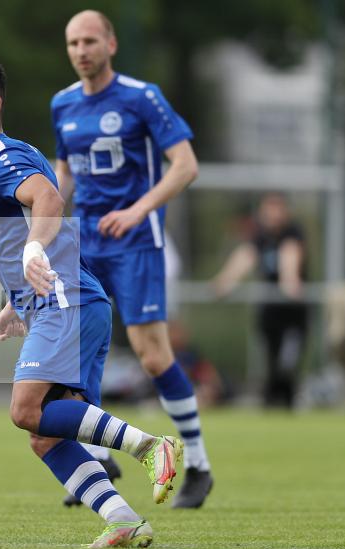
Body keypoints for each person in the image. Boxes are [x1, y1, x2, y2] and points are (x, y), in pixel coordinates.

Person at [0, 55, 183, 549]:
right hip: (67, 301)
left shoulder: (1, 156)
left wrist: (34, 251)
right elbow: (26, 233)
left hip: (67, 302)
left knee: (24, 410)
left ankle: (150, 446)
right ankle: (123, 520)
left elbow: (49, 200)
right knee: (46, 435)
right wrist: (17, 298)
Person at [50, 10, 212, 508]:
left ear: (111, 44)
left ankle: (199, 465)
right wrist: (44, 224)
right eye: (73, 42)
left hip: (138, 242)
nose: (81, 50)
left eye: (90, 41)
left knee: (153, 355)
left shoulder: (142, 97)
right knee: (77, 352)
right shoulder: (63, 103)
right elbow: (65, 174)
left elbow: (185, 165)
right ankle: (99, 459)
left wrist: (138, 209)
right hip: (87, 244)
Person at [213, 193, 307, 408]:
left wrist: (289, 281)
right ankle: (272, 402)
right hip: (270, 310)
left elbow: (290, 255)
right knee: (272, 362)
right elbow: (246, 256)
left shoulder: (293, 232)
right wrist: (225, 281)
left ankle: (289, 401)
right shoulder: (260, 235)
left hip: (294, 312)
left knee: (288, 363)